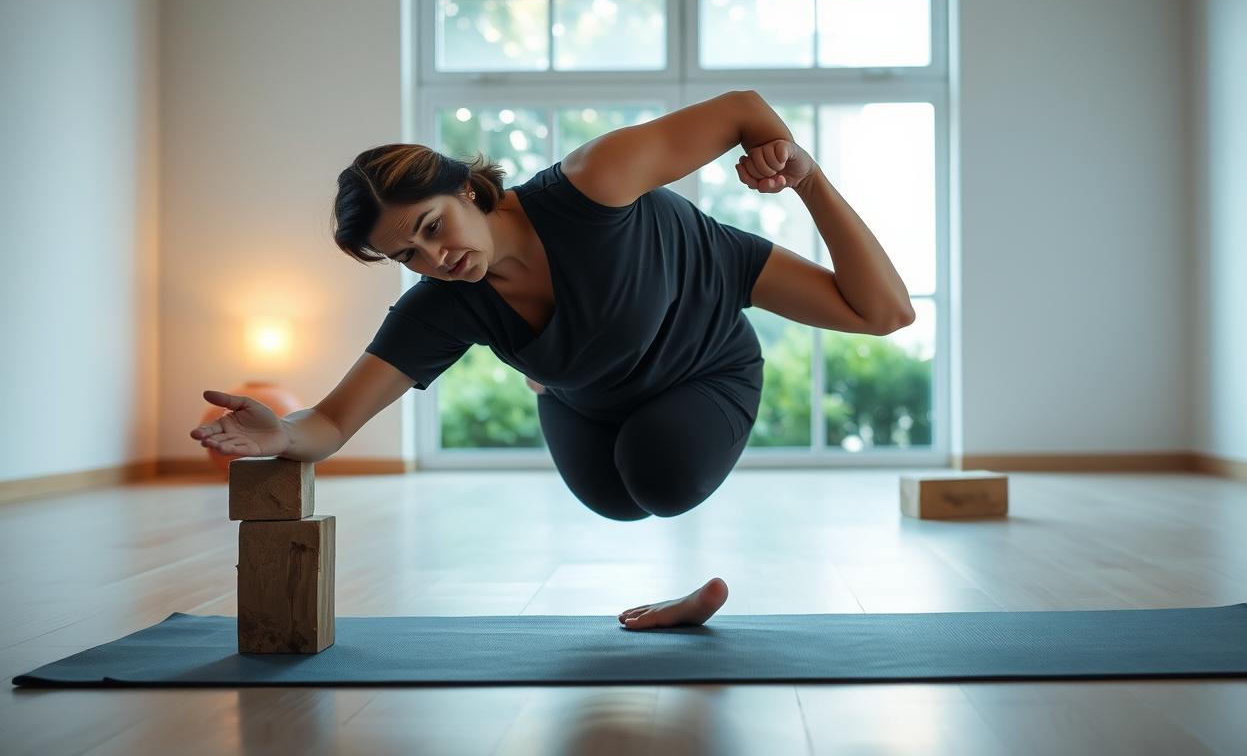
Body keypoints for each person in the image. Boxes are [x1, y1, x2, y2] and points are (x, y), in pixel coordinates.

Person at [189, 90, 915, 630]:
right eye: (406, 255)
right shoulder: (444, 304)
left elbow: (746, 116)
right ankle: (557, 379)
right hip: (586, 401)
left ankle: (576, 380)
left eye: (432, 226)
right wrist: (281, 432)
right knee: (615, 498)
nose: (434, 258)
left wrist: (797, 172)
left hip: (703, 362)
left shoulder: (595, 182)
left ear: (471, 189)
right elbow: (334, 421)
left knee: (660, 474)